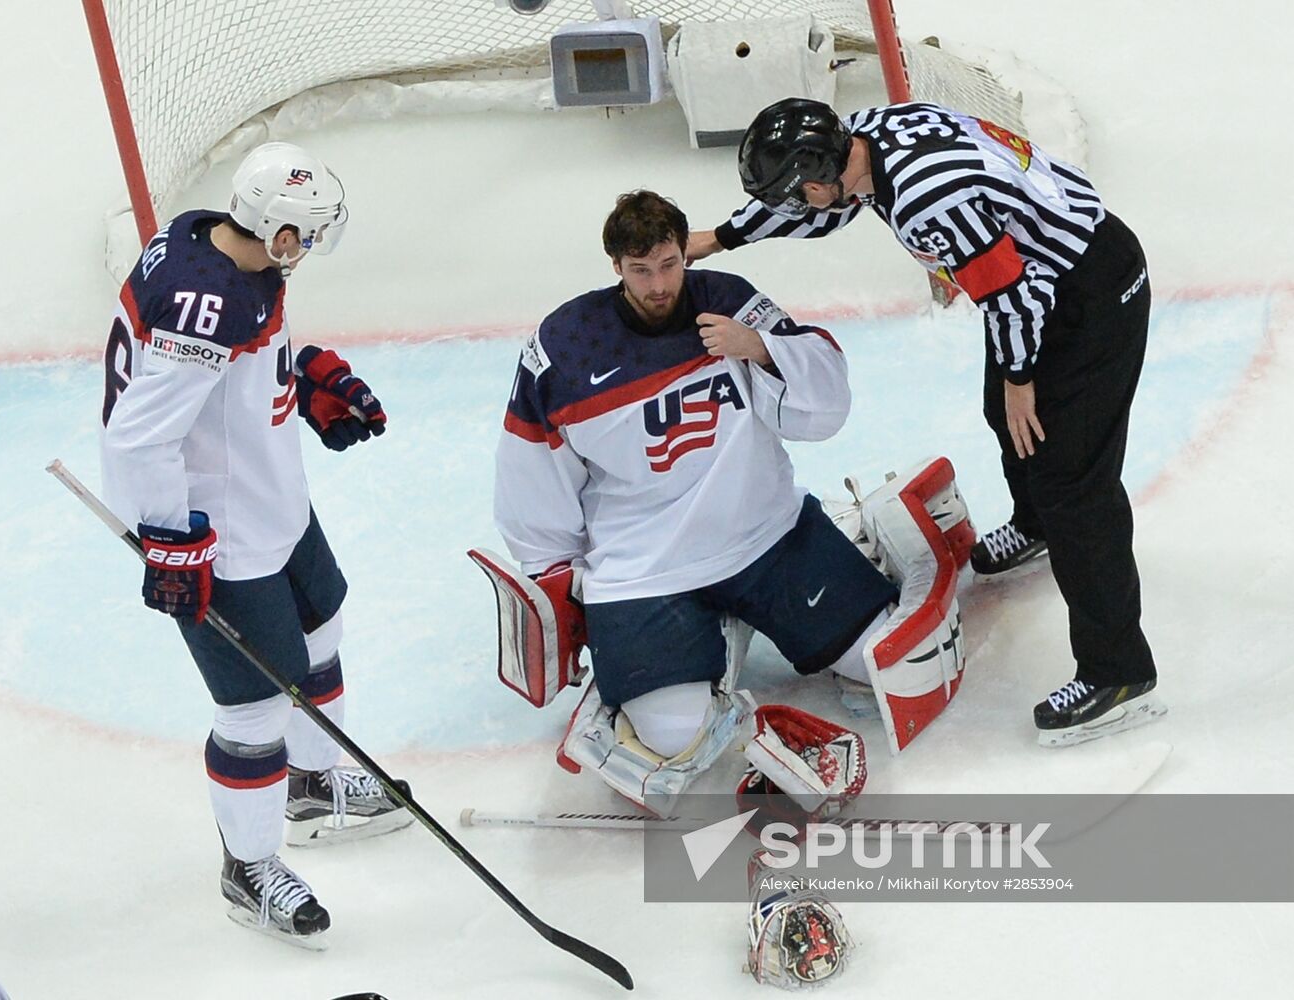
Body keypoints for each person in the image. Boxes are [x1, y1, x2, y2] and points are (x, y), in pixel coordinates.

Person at [687, 98, 1166, 746]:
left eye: (797, 193)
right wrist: (720, 238)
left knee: (1072, 484)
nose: (797, 204)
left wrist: (1022, 380)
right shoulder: (865, 130)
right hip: (1045, 282)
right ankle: (1033, 528)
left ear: (821, 177)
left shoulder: (924, 199)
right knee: (1004, 417)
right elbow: (823, 214)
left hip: (1086, 293)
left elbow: (1014, 294)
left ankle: (1118, 672)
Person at [478, 189, 971, 815]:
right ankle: (697, 641)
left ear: (686, 253)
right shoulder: (566, 346)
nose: (659, 285)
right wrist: (557, 572)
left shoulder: (730, 301)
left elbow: (826, 408)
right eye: (641, 270)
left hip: (767, 538)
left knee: (877, 666)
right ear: (615, 267)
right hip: (646, 568)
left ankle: (834, 556)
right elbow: (530, 468)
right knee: (672, 735)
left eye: (670, 264)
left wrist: (760, 347)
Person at [99, 141, 411, 947]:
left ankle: (310, 786)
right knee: (253, 710)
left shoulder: (213, 241)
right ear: (275, 232)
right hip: (220, 534)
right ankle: (249, 869)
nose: (305, 252)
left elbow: (227, 369)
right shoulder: (206, 304)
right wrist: (170, 542)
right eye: (303, 236)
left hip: (274, 499)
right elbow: (136, 440)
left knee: (321, 631)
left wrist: (296, 377)